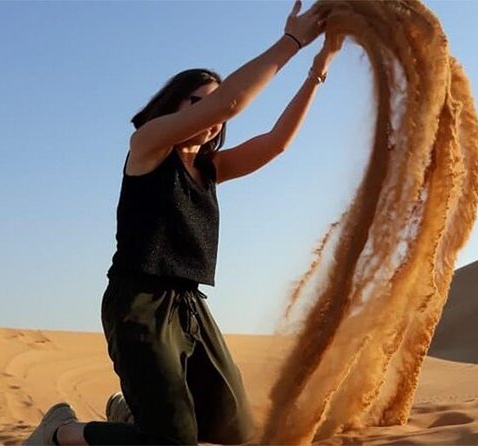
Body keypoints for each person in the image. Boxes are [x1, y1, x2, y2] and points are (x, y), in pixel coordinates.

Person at [23, 1, 342, 445]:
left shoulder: (210, 169)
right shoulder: (148, 145)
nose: (213, 122)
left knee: (237, 432)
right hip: (139, 300)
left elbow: (276, 143)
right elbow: (230, 102)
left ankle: (132, 410)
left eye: (215, 114)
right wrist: (292, 41)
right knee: (174, 442)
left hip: (190, 306)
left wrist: (317, 70)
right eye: (199, 105)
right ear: (175, 104)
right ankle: (60, 432)